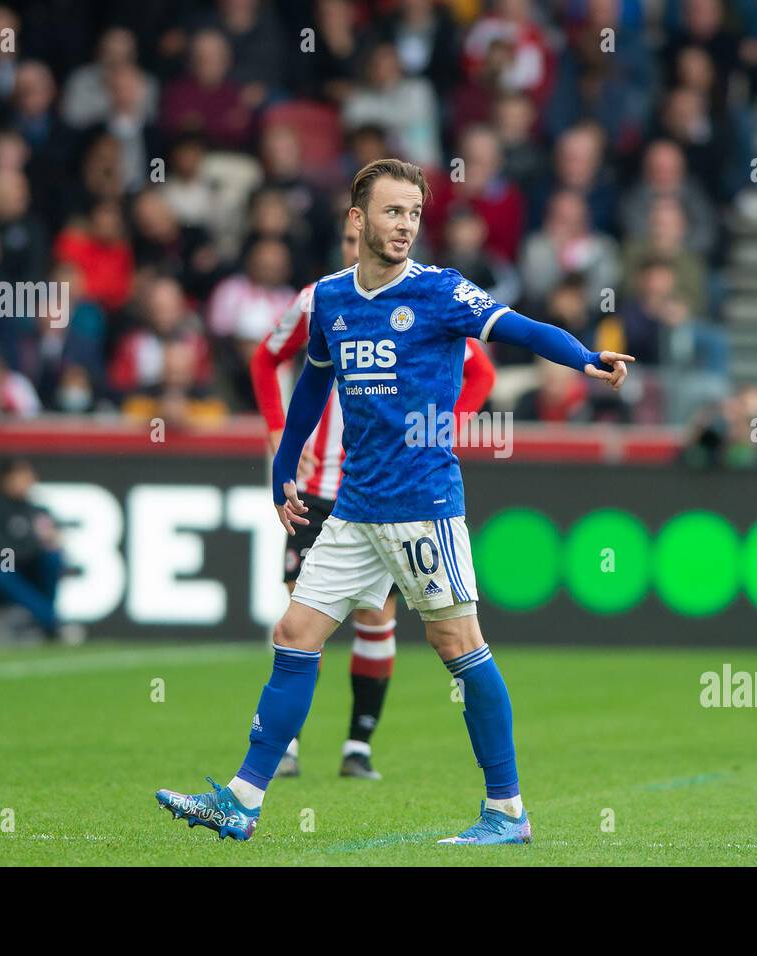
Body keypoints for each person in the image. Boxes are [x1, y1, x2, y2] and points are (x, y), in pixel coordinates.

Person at [155, 158, 632, 844]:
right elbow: (313, 385)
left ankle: (507, 811)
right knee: (293, 634)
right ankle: (242, 798)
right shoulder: (330, 299)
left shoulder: (441, 292)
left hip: (421, 504)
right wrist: (283, 469)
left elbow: (522, 329)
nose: (405, 225)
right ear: (358, 220)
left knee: (458, 643)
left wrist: (586, 357)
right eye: (392, 211)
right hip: (352, 506)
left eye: (413, 213)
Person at [249, 215, 496, 780]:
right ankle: (281, 751)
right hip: (318, 486)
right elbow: (268, 358)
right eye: (341, 239)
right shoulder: (322, 298)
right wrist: (277, 431)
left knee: (378, 618)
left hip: (386, 491)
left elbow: (480, 370)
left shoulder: (421, 297)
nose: (349, 247)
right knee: (298, 619)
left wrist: (443, 425)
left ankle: (358, 746)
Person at [0, 457, 84, 645]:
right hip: (8, 572)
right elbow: (2, 554)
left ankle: (46, 622)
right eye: (19, 476)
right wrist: (31, 544)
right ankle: (52, 622)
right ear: (5, 479)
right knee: (2, 573)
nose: (25, 482)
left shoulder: (37, 511)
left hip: (32, 571)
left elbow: (51, 545)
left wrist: (49, 543)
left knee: (52, 557)